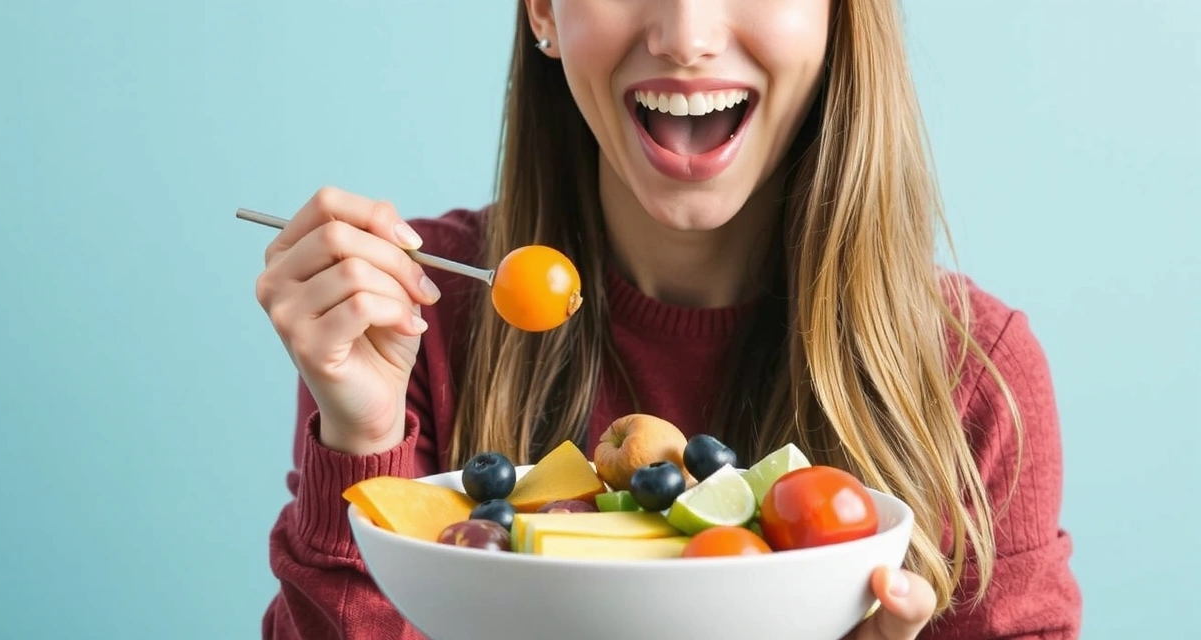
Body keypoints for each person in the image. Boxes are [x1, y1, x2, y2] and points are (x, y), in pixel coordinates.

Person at [253, 0, 1082, 638]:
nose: (686, 35)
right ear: (542, 8)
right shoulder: (411, 318)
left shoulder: (972, 376)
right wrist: (360, 438)